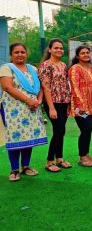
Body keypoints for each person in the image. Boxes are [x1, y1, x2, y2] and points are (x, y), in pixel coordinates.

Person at [0, 43, 47, 181]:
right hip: (13, 109)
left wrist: (38, 101)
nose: (20, 54)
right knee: (15, 137)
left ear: (26, 54)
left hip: (32, 108)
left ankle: (26, 166)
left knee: (28, 136)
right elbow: (7, 87)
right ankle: (14, 170)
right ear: (11, 54)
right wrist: (28, 100)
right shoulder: (6, 68)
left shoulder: (33, 69)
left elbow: (41, 87)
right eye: (16, 52)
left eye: (22, 52)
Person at [38, 38, 71, 172]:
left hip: (64, 101)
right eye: (56, 48)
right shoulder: (45, 65)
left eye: (61, 48)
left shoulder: (63, 65)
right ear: (50, 49)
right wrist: (51, 107)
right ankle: (49, 161)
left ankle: (60, 159)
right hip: (53, 102)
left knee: (61, 131)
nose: (59, 50)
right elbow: (46, 87)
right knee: (58, 131)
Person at [69, 45, 92, 167]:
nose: (85, 55)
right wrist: (81, 105)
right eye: (82, 53)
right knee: (85, 128)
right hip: (81, 108)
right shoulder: (75, 68)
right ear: (78, 56)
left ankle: (86, 154)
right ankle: (82, 157)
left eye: (87, 53)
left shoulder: (90, 68)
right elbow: (75, 87)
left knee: (89, 130)